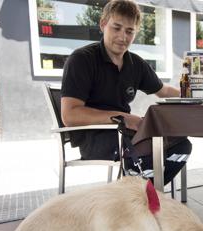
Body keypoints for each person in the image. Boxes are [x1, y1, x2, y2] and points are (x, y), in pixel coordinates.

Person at [60, 0, 191, 184]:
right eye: (117, 28)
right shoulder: (81, 59)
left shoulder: (135, 64)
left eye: (130, 31)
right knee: (149, 153)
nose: (123, 37)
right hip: (95, 137)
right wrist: (123, 117)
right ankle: (139, 196)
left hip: (127, 133)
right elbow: (69, 114)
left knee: (181, 144)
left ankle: (142, 194)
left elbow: (163, 91)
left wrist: (192, 94)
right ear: (103, 24)